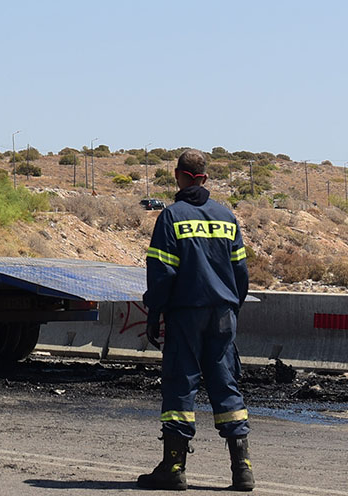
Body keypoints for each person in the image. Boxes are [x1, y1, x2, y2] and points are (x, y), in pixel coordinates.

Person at [136, 149, 255, 491]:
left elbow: (162, 273)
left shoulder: (171, 217)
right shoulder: (226, 217)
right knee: (225, 384)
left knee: (180, 384)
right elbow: (241, 271)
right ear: (204, 177)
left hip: (186, 314)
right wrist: (231, 308)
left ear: (179, 175)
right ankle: (242, 468)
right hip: (223, 314)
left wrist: (155, 312)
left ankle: (173, 467)